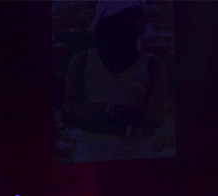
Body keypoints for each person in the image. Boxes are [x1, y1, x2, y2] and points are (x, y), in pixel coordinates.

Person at [61, 0, 170, 162]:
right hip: (90, 164)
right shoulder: (82, 62)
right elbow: (71, 113)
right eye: (123, 18)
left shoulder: (153, 66)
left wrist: (99, 112)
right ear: (104, 25)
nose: (130, 24)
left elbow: (154, 118)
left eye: (134, 18)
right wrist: (130, 125)